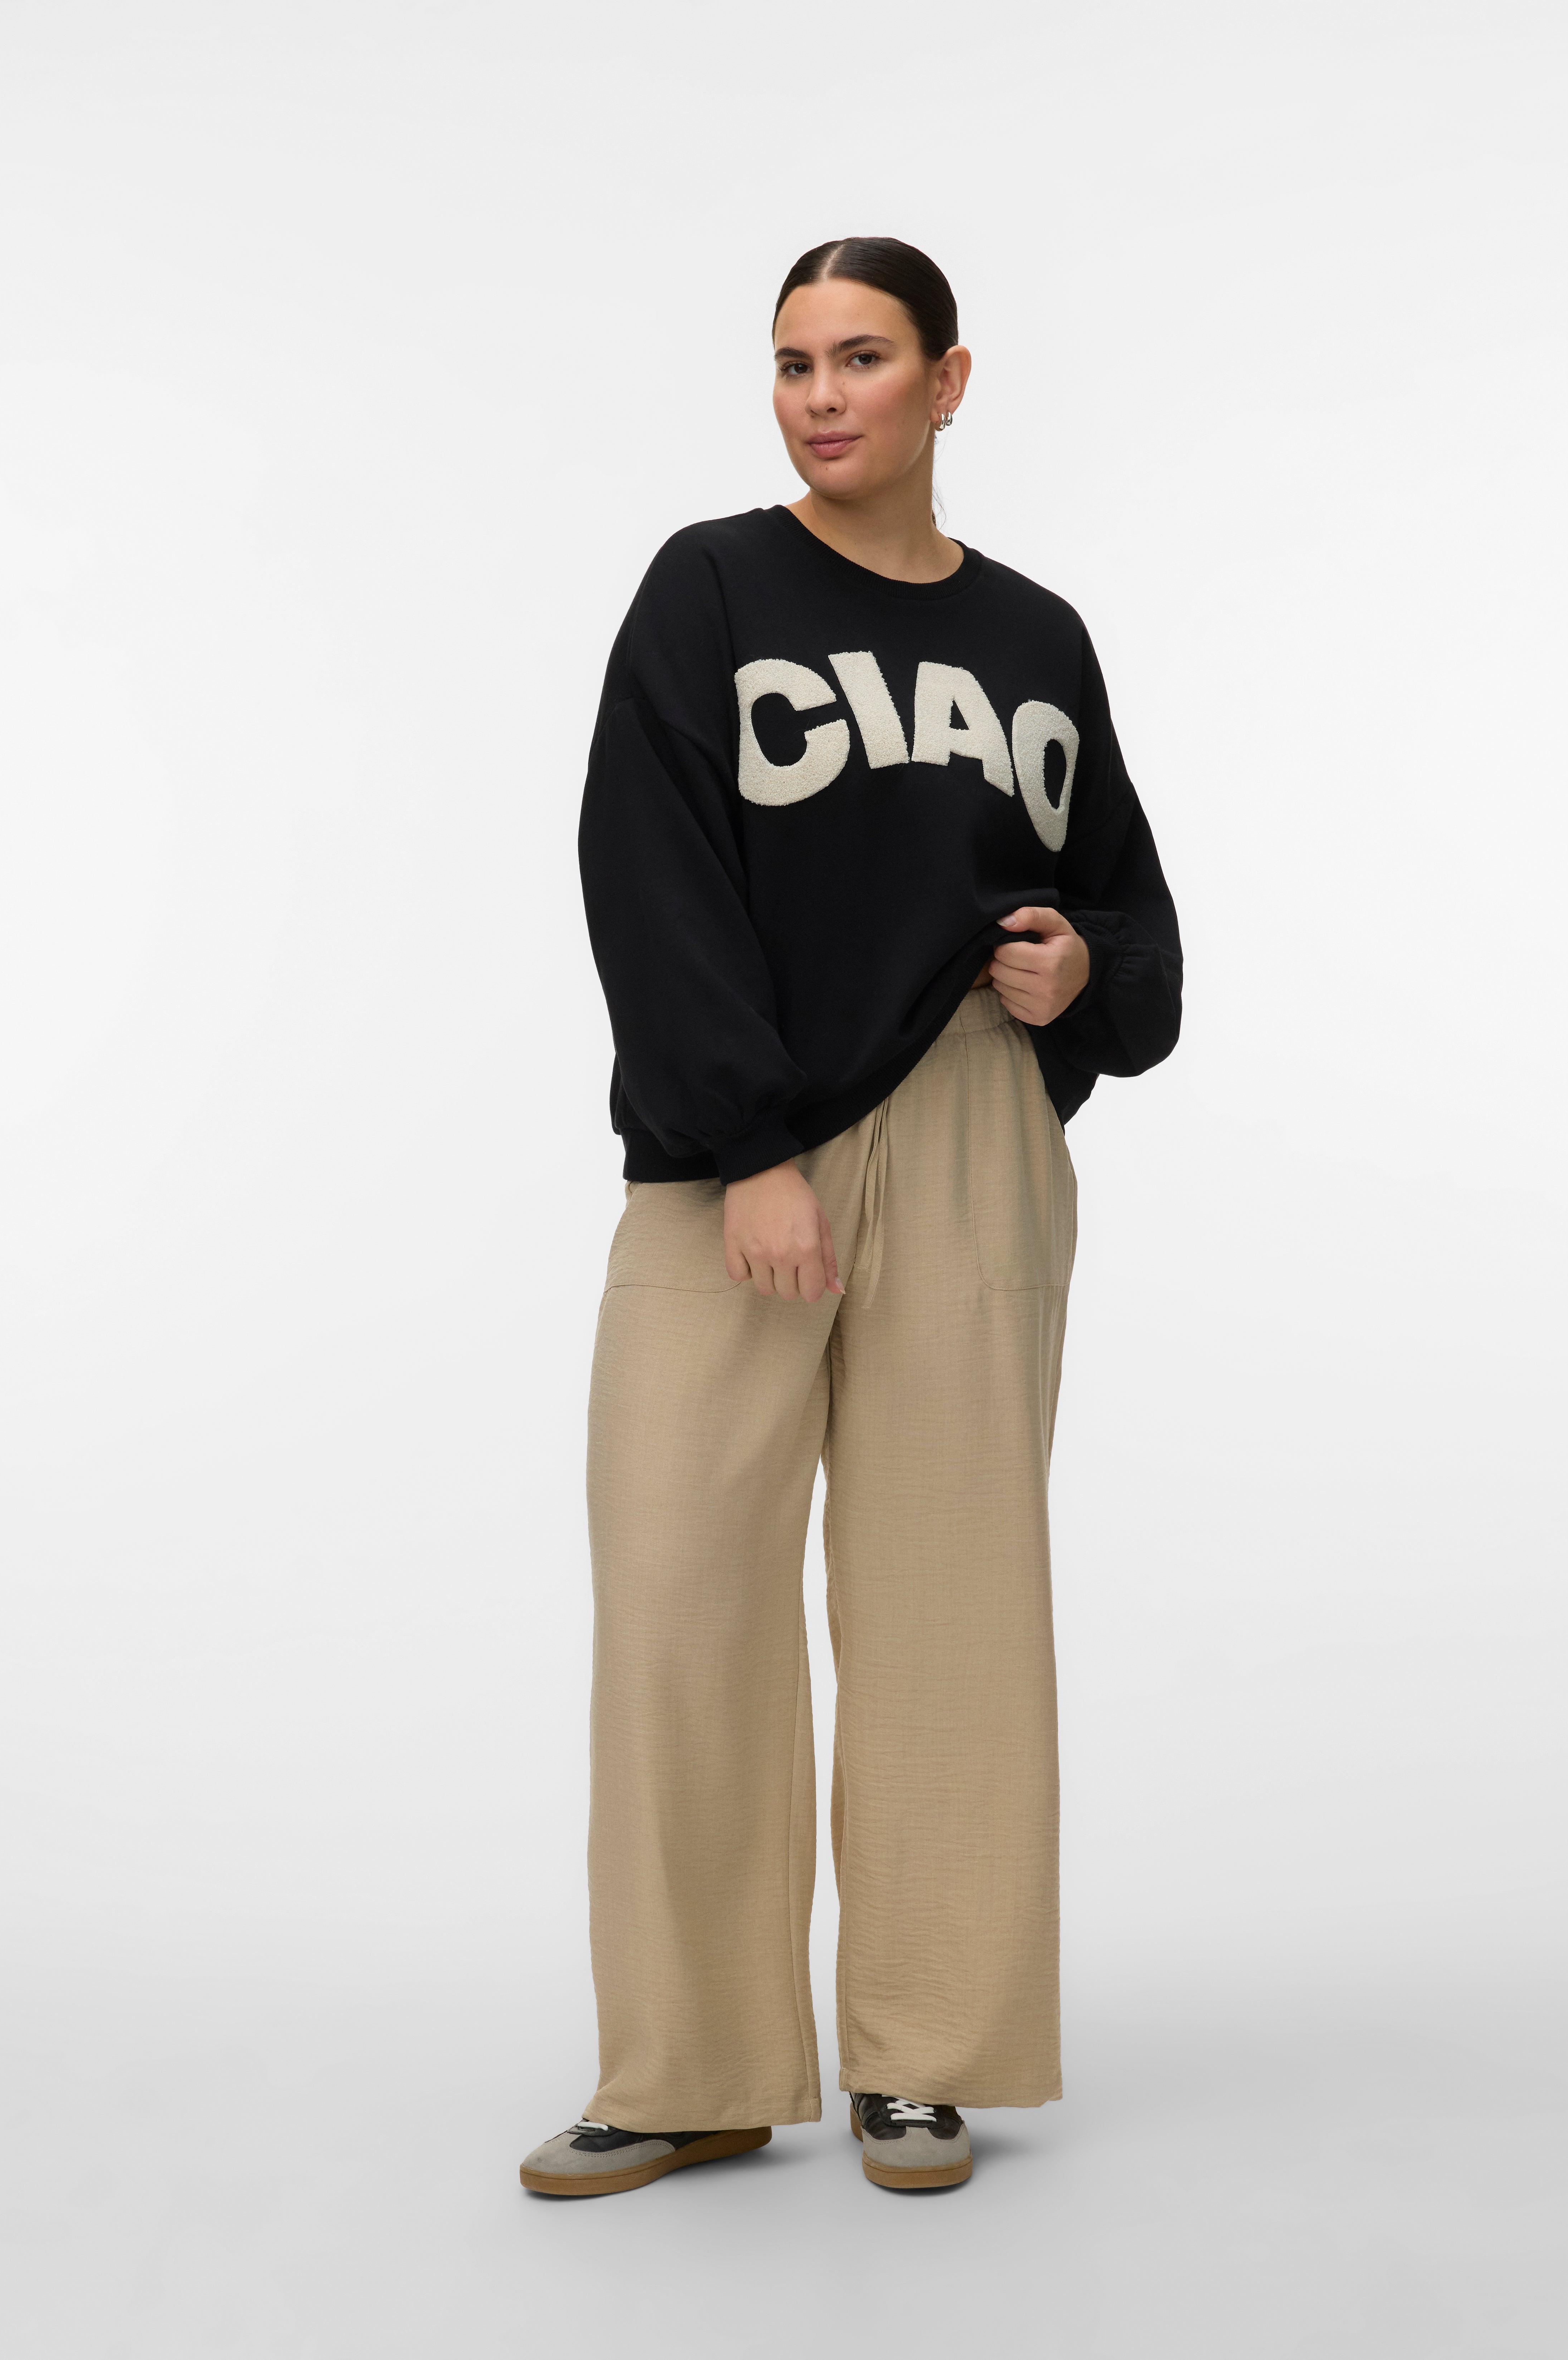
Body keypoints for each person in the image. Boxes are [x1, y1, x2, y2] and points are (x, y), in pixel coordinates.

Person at [520, 236, 1182, 2199]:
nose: (821, 396)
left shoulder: (1039, 637)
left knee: (949, 1602)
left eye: (865, 358)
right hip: (746, 1140)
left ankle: (924, 2053)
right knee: (678, 1589)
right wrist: (748, 1146)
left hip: (976, 1124)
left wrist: (1088, 970)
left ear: (948, 381)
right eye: (796, 361)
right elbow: (645, 865)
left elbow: (1127, 897)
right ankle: (691, 2065)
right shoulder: (713, 587)